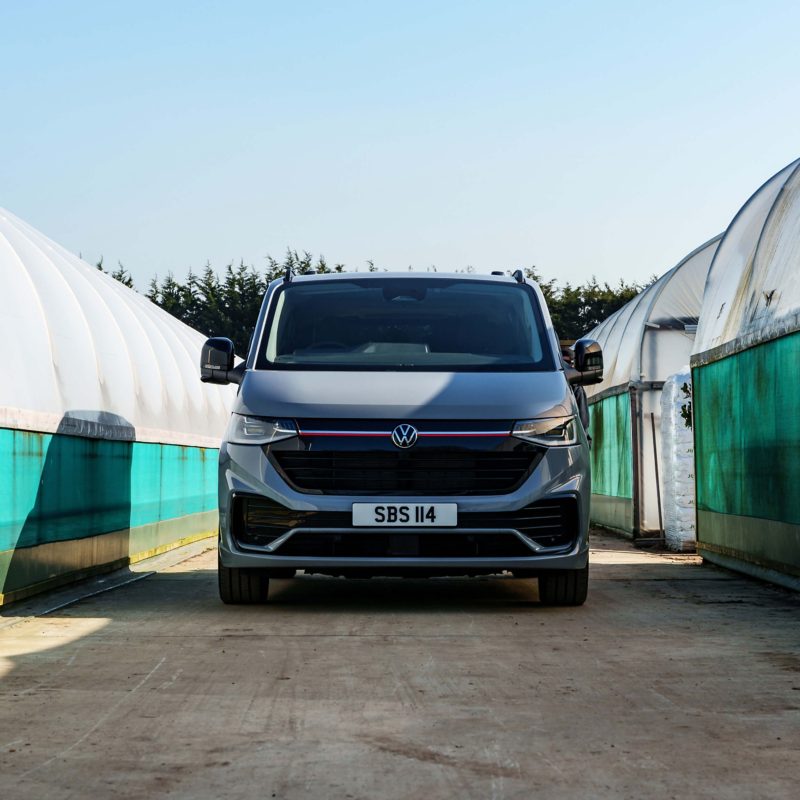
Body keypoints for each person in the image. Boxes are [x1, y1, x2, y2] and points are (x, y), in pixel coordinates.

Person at [562, 346, 592, 450]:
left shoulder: (576, 388)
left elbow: (583, 422)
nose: (567, 367)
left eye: (569, 363)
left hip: (575, 440)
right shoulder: (573, 387)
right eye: (564, 363)